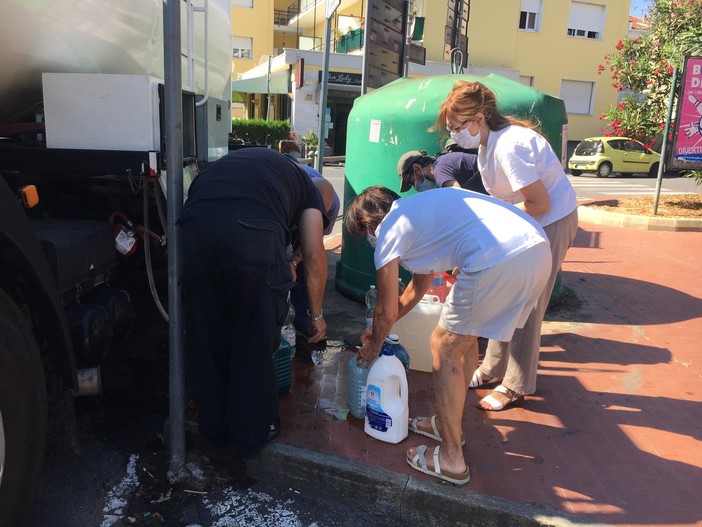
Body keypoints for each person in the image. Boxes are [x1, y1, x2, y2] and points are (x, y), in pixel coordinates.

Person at [345, 185, 551, 485]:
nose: (368, 241)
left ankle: (452, 457)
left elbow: (384, 308)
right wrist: (381, 330)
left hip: (499, 256)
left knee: (444, 345)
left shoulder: (391, 225)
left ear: (368, 222)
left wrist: (373, 345)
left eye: (364, 234)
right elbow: (416, 290)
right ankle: (446, 425)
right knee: (464, 343)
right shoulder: (419, 217)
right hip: (534, 251)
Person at [437, 80, 579, 411]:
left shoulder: (509, 146)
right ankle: (491, 368)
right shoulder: (488, 144)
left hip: (551, 222)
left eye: (458, 127)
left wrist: (493, 230)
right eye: (452, 128)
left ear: (480, 117)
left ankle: (516, 385)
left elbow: (539, 203)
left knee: (528, 303)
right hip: (529, 223)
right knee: (506, 295)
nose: (456, 134)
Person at [180, 148, 328, 459]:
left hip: (194, 225)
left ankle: (214, 432)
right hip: (252, 229)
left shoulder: (263, 167)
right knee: (254, 334)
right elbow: (315, 255)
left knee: (206, 332)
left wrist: (285, 257)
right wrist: (315, 314)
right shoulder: (313, 193)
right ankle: (249, 438)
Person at [282, 154, 340, 344]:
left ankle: (305, 320)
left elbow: (314, 249)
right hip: (282, 210)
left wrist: (294, 260)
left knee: (305, 268)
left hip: (306, 211)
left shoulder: (327, 200)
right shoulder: (284, 186)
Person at [397, 149, 487, 195]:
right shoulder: (443, 162)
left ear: (417, 168)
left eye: (411, 182)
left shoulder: (440, 172)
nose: (415, 187)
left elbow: (459, 199)